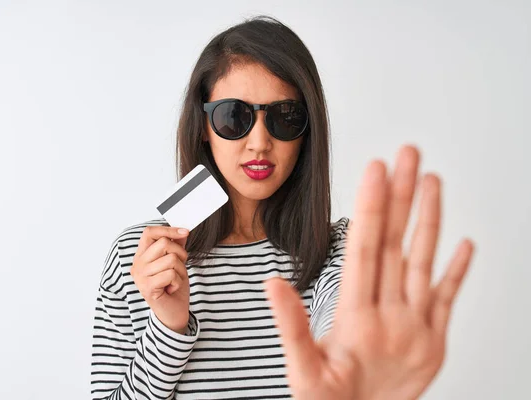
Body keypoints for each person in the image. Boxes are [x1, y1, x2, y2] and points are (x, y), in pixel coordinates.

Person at [91, 15, 474, 400]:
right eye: (233, 116)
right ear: (203, 126)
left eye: (284, 117)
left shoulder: (340, 247)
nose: (259, 142)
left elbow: (341, 318)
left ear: (307, 132)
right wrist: (168, 327)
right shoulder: (141, 258)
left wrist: (353, 362)